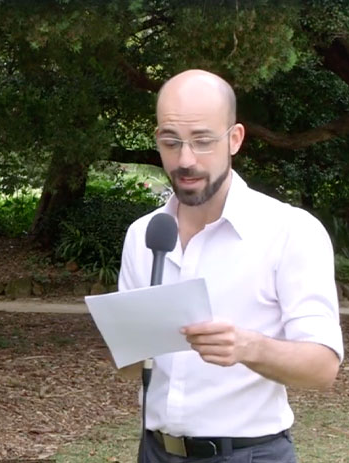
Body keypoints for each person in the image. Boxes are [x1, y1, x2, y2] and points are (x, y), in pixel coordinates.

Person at [118, 69, 344, 462]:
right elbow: (128, 367)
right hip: (154, 451)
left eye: (203, 141)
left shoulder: (290, 231)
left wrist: (248, 346)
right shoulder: (144, 235)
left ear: (234, 139)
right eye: (172, 142)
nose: (185, 159)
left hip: (250, 454)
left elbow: (323, 368)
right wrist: (130, 341)